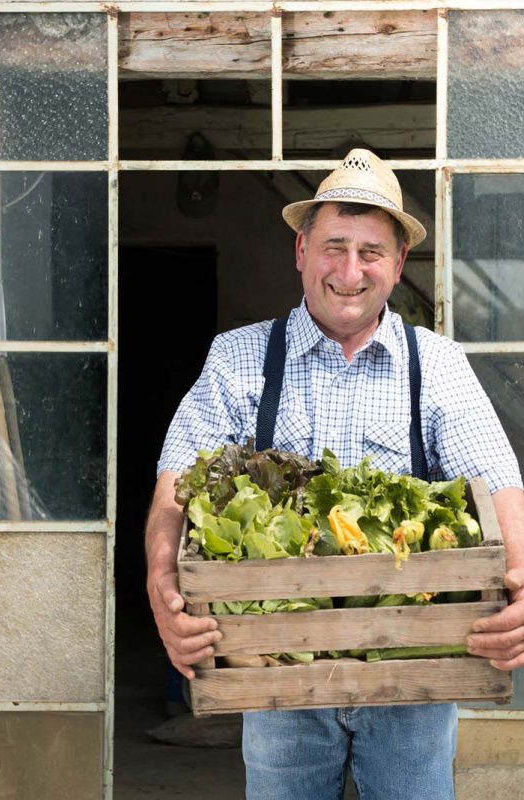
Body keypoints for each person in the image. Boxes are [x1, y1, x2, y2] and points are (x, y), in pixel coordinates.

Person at [145, 148, 524, 800]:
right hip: (277, 671)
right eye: (333, 247)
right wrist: (161, 583)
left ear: (399, 263)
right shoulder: (238, 360)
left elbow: (499, 486)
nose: (350, 271)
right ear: (301, 250)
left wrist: (520, 586)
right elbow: (176, 487)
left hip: (412, 667)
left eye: (372, 252)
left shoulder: (435, 365)